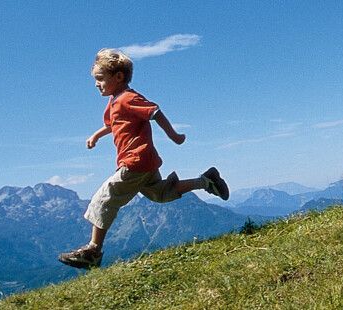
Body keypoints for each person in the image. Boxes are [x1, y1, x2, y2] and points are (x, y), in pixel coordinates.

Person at [58, 48, 229, 269]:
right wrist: (96, 136)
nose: (96, 84)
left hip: (135, 161)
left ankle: (93, 251)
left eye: (100, 79)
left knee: (104, 199)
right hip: (144, 161)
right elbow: (112, 125)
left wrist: (174, 136)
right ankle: (206, 181)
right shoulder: (114, 102)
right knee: (160, 193)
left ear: (118, 77)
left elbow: (154, 112)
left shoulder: (128, 98)